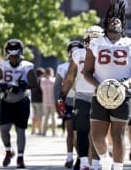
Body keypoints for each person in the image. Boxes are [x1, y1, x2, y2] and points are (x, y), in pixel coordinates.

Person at [83, 0, 131, 170]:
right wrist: (99, 86)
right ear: (106, 23)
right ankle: (105, 160)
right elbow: (86, 72)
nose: (116, 20)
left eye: (119, 19)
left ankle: (118, 168)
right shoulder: (95, 43)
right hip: (100, 93)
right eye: (112, 18)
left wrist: (126, 84)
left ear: (123, 24)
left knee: (117, 135)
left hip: (123, 95)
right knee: (96, 136)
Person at [58, 25, 104, 170]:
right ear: (85, 39)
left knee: (97, 132)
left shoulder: (108, 53)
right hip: (82, 95)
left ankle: (96, 163)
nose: (93, 42)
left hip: (101, 96)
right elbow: (70, 77)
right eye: (90, 39)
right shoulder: (78, 54)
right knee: (82, 130)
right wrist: (62, 96)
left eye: (96, 39)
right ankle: (84, 162)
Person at [0, 38, 39, 168]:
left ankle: (20, 157)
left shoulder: (27, 66)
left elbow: (35, 83)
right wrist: (3, 85)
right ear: (7, 54)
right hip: (7, 100)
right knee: (3, 129)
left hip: (22, 101)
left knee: (20, 130)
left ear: (20, 53)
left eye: (16, 55)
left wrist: (24, 85)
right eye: (11, 55)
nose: (14, 58)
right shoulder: (3, 66)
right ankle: (8, 151)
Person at [54, 40, 84, 168]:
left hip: (82, 101)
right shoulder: (62, 67)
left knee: (79, 132)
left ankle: (80, 157)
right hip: (68, 101)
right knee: (70, 130)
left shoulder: (86, 64)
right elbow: (57, 88)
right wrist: (58, 102)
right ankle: (70, 156)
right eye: (72, 52)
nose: (74, 54)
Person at [41, 67, 57, 137]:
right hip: (53, 101)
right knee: (53, 117)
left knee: (46, 117)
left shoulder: (42, 81)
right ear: (51, 73)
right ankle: (54, 132)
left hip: (45, 101)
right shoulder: (54, 81)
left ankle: (44, 131)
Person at [31, 67, 45, 135]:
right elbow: (42, 90)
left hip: (33, 100)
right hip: (40, 100)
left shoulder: (33, 80)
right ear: (41, 74)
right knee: (40, 116)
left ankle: (33, 130)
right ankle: (40, 131)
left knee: (34, 116)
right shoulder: (41, 80)